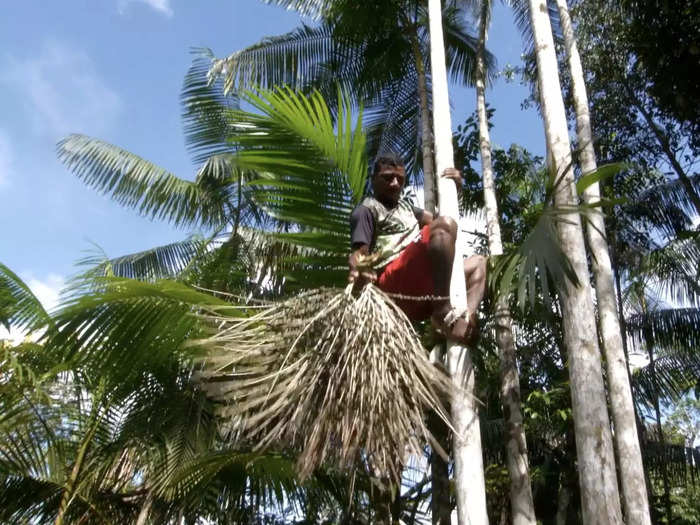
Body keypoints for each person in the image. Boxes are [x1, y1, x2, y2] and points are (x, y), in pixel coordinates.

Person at [348, 152, 487, 344]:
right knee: (443, 226)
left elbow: (443, 221)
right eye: (388, 178)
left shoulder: (407, 208)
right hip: (395, 284)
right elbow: (359, 254)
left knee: (478, 263)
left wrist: (455, 192)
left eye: (400, 179)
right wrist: (358, 270)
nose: (395, 183)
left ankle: (467, 316)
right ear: (373, 180)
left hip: (426, 289)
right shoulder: (366, 210)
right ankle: (442, 312)